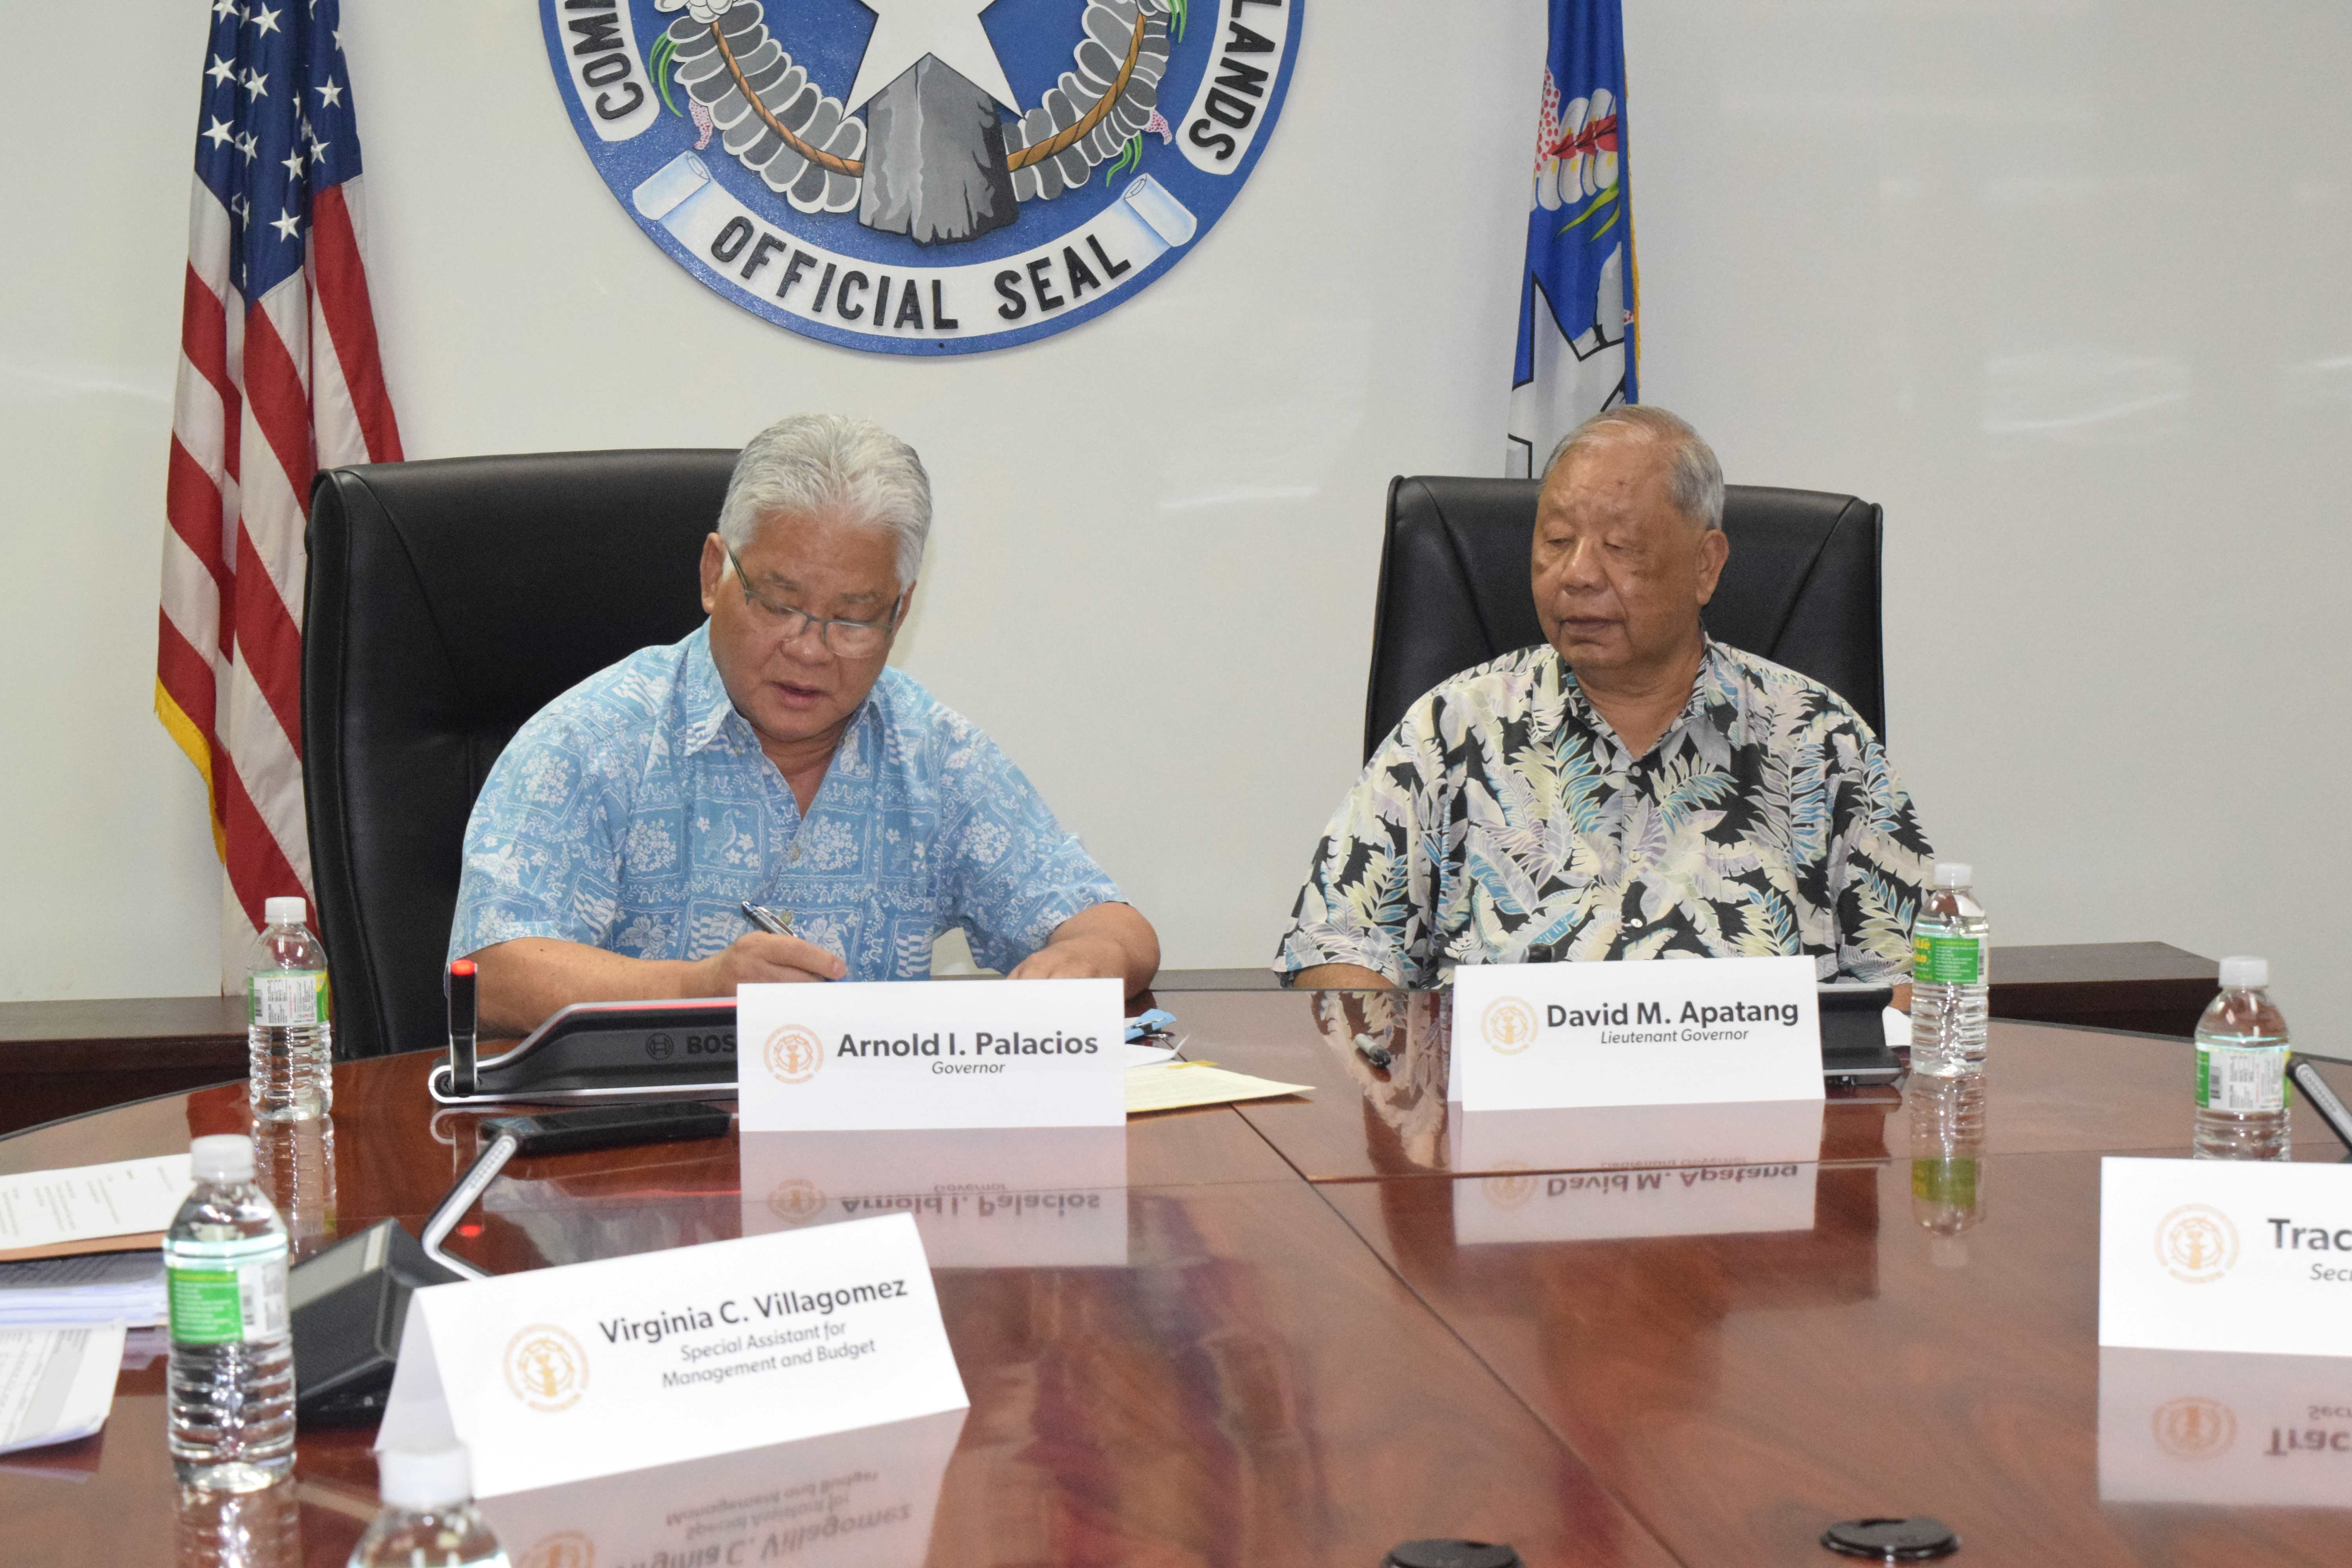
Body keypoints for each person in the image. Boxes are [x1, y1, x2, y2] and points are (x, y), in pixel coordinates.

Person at [451, 413, 1159, 1035]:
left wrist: (1086, 961)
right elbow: (492, 973)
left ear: (899, 614)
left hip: (872, 1137)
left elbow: (1115, 928)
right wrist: (695, 989)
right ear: (714, 574)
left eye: (853, 618)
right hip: (644, 1132)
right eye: (780, 604)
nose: (810, 649)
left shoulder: (934, 754)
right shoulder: (590, 742)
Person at [1275, 405, 1932, 990]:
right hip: (1503, 1094)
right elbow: (1334, 947)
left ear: (1706, 565)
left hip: (1761, 1097)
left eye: (1621, 547)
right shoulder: (1450, 729)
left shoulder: (1817, 738)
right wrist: (1407, 1075)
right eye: (1557, 542)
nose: (1579, 574)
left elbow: (1916, 976)